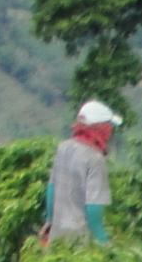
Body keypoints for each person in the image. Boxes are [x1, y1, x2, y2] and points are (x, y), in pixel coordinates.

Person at [43, 100, 120, 247]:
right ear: (101, 128)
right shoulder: (95, 159)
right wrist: (104, 243)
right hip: (79, 242)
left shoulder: (63, 148)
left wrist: (49, 221)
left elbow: (51, 190)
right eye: (109, 127)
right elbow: (93, 209)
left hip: (57, 237)